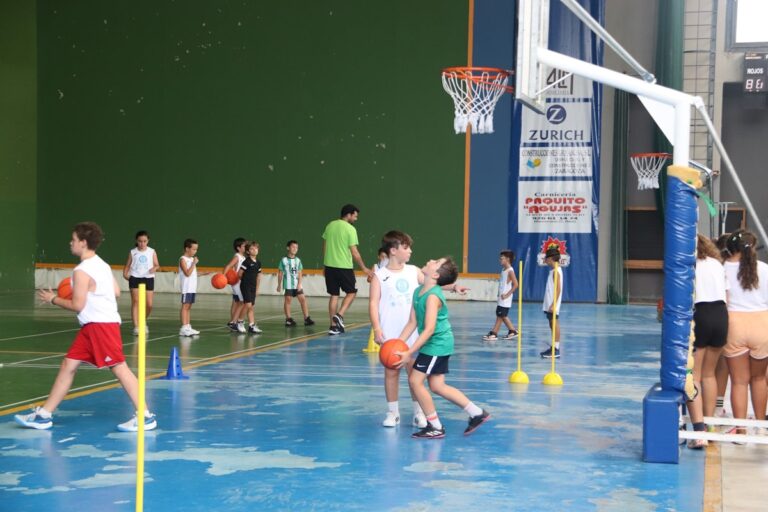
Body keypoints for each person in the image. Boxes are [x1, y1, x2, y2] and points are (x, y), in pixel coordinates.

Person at [15, 222, 157, 432]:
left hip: (101, 326)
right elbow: (116, 292)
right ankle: (44, 415)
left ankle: (145, 416)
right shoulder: (102, 264)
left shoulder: (81, 271)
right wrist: (94, 291)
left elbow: (77, 305)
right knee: (68, 365)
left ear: (83, 243)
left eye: (73, 239)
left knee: (119, 367)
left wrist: (53, 299)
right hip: (92, 326)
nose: (70, 243)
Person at [395, 257, 490, 439]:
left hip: (437, 344)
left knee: (415, 381)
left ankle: (435, 426)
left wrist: (409, 352)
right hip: (435, 343)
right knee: (437, 385)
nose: (430, 260)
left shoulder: (433, 297)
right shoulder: (418, 291)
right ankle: (477, 413)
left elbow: (429, 329)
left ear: (436, 274)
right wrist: (398, 344)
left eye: (435, 261)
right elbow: (412, 322)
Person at [722, 230, 768, 438]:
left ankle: (740, 430)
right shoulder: (764, 269)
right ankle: (761, 425)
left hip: (734, 324)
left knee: (739, 381)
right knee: (759, 379)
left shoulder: (722, 269)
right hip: (762, 323)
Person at [687, 234, 729, 448]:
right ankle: (710, 424)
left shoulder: (687, 263)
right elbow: (727, 295)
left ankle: (699, 431)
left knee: (693, 375)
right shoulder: (717, 264)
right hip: (721, 314)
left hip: (700, 313)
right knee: (710, 374)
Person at [321, 204, 373, 335]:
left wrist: (325, 265)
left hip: (330, 267)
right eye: (355, 216)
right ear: (349, 214)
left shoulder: (330, 225)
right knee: (351, 292)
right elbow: (354, 252)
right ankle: (339, 315)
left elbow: (325, 246)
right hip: (344, 267)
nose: (356, 219)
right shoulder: (350, 229)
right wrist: (364, 268)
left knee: (334, 295)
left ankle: (333, 327)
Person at [122, 230, 160, 336]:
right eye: (140, 241)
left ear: (148, 241)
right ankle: (136, 327)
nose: (142, 243)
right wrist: (125, 274)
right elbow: (128, 265)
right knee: (136, 301)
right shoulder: (133, 252)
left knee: (149, 304)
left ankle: (142, 321)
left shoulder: (152, 251)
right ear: (136, 241)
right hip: (135, 277)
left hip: (148, 278)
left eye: (144, 241)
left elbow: (157, 264)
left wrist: (154, 268)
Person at [482, 250, 519, 341]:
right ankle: (498, 332)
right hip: (501, 298)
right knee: (500, 315)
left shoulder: (510, 271)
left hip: (505, 299)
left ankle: (509, 331)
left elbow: (516, 284)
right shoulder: (503, 270)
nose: (500, 260)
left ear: (508, 259)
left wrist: (507, 295)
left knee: (502, 315)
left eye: (502, 258)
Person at [277, 240, 314, 327]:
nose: (295, 249)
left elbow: (300, 273)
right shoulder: (284, 260)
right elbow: (280, 273)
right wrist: (279, 285)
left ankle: (306, 318)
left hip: (297, 284)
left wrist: (299, 284)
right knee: (288, 300)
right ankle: (288, 319)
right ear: (288, 248)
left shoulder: (298, 260)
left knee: (303, 299)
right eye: (293, 247)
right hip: (288, 284)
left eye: (296, 247)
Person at [540, 246, 564, 359]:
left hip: (552, 304)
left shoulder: (556, 272)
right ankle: (554, 347)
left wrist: (554, 304)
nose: (545, 260)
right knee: (551, 323)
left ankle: (556, 349)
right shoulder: (553, 271)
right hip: (550, 302)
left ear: (551, 258)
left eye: (546, 258)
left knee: (554, 323)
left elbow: (558, 289)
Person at [238, 241, 263, 334]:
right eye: (252, 249)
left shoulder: (258, 263)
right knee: (247, 305)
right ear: (248, 251)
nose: (255, 250)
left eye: (256, 248)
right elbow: (239, 274)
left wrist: (257, 289)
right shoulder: (246, 261)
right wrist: (245, 282)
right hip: (245, 286)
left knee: (251, 306)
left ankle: (251, 326)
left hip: (253, 287)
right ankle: (240, 322)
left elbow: (258, 276)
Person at [224, 237, 247, 333]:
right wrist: (223, 277)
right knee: (241, 302)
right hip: (237, 283)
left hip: (239, 283)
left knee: (236, 302)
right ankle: (234, 322)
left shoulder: (243, 257)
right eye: (244, 246)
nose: (246, 247)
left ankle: (232, 321)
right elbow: (228, 266)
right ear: (238, 248)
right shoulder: (237, 256)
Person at [179, 238, 201, 336]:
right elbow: (187, 273)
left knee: (189, 307)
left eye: (196, 249)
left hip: (192, 287)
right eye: (193, 249)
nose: (195, 251)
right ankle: (183, 328)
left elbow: (193, 273)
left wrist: (205, 273)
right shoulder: (182, 259)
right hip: (186, 287)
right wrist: (193, 263)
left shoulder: (192, 259)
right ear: (187, 249)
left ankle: (188, 326)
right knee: (185, 306)